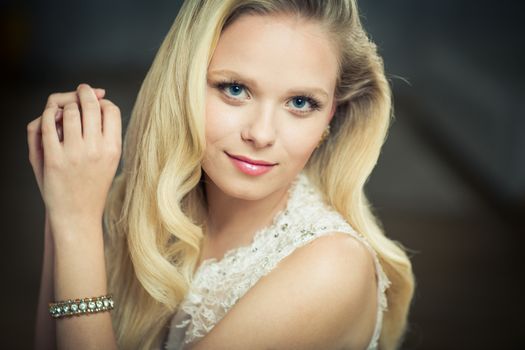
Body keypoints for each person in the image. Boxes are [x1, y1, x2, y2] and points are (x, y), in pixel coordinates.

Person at [28, 0, 415, 349]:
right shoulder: (164, 211)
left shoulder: (332, 267)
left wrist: (78, 224)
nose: (261, 134)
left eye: (300, 102)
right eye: (235, 89)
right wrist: (61, 205)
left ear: (330, 115)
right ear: (183, 86)